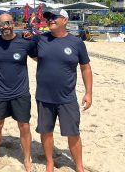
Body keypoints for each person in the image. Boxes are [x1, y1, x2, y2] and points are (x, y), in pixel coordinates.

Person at [33, 9, 93, 172]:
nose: (50, 20)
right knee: (46, 132)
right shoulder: (40, 39)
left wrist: (88, 93)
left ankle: (79, 166)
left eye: (54, 17)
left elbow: (85, 68)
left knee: (73, 133)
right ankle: (50, 162)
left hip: (67, 97)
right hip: (44, 97)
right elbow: (28, 52)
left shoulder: (76, 42)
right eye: (49, 18)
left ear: (65, 20)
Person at [0, 13, 35, 171]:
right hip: (0, 92)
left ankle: (27, 158)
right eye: (2, 24)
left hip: (21, 92)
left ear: (13, 24)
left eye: (8, 23)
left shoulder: (24, 42)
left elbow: (42, 57)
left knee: (24, 126)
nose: (5, 26)